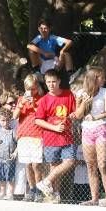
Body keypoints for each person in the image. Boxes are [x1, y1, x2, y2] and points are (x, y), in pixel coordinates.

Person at [34, 68, 77, 203]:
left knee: (70, 161)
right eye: (48, 82)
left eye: (53, 82)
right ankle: (54, 194)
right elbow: (38, 120)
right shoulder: (44, 100)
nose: (51, 85)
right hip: (51, 138)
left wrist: (74, 115)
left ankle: (45, 181)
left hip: (67, 136)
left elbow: (75, 112)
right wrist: (54, 127)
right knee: (54, 166)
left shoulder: (69, 95)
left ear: (59, 81)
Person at [74, 66, 106, 206]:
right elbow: (78, 115)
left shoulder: (105, 92)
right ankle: (94, 198)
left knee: (102, 165)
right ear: (94, 78)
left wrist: (95, 117)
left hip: (101, 128)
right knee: (91, 165)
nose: (104, 79)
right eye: (101, 76)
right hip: (87, 131)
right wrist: (85, 100)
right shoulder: (81, 93)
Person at [14, 74, 45, 202]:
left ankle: (39, 189)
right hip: (24, 135)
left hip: (37, 135)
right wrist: (21, 104)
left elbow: (43, 116)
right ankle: (31, 189)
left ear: (37, 87)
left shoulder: (43, 99)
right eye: (28, 89)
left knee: (36, 164)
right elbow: (15, 116)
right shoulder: (21, 99)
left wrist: (34, 105)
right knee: (27, 164)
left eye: (33, 88)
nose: (31, 91)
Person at [0, 109, 17, 200]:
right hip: (0, 157)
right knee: (1, 176)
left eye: (7, 120)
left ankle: (10, 193)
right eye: (3, 120)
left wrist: (15, 152)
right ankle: (2, 193)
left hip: (9, 158)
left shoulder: (13, 132)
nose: (5, 122)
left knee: (10, 176)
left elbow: (18, 143)